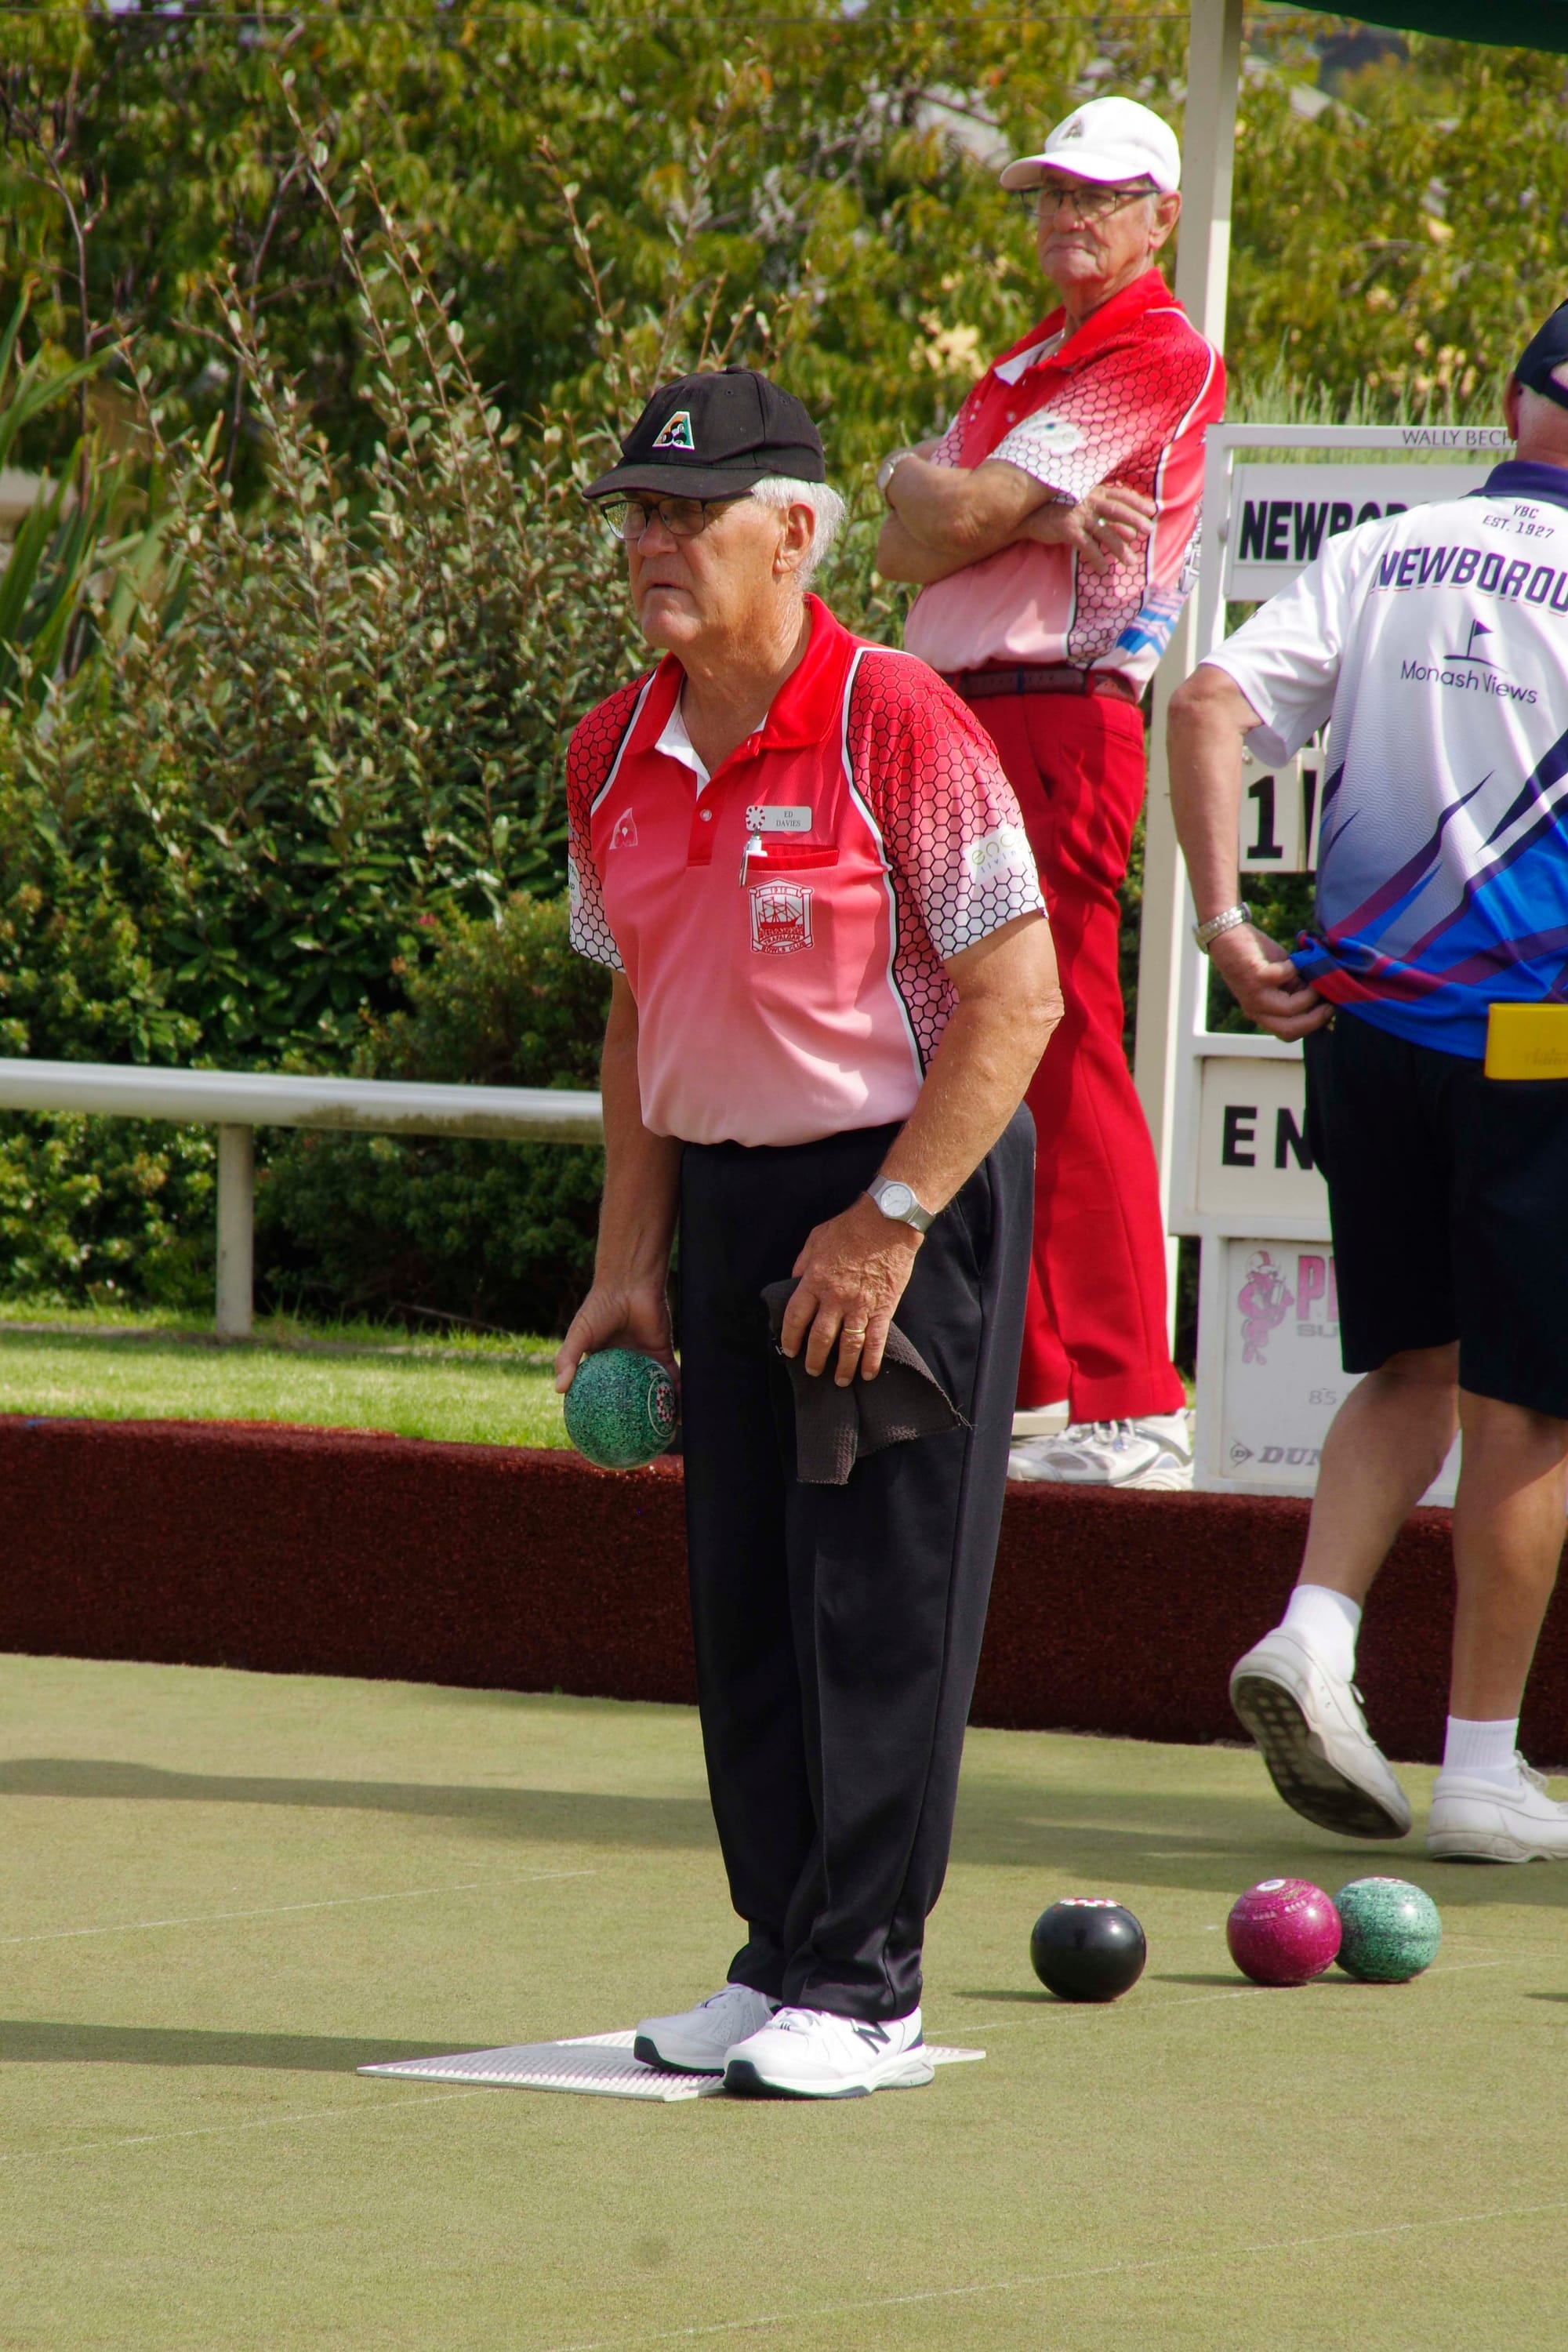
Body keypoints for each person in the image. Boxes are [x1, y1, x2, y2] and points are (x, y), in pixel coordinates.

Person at [555, 367, 1062, 2096]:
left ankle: (866, 1983)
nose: (654, 545)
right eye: (638, 512)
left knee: (874, 1598)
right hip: (726, 1198)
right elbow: (635, 1023)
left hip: (902, 1182)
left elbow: (1015, 994)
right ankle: (778, 1954)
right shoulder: (606, 750)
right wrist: (630, 1267)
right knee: (748, 1600)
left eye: (691, 516)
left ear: (796, 533)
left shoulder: (895, 716)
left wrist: (891, 1219)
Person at [1166, 300, 1568, 1864]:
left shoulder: (1384, 550)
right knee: (1526, 1415)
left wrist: (1221, 927)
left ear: (1510, 401)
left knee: (1408, 1369)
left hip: (1364, 1038)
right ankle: (1478, 1769)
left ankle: (1316, 1635)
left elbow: (1206, 703)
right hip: (1535, 1048)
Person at [874, 94, 1225, 1491]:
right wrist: (1019, 503)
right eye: (1049, 194)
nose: (1066, 214)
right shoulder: (1027, 358)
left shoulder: (1157, 346)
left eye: (1098, 193)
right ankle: (1031, 1389)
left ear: (1159, 217)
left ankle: (1130, 1393)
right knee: (959, 1039)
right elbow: (902, 539)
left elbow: (941, 516)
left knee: (1061, 1044)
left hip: (1063, 716)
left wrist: (974, 499)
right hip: (964, 719)